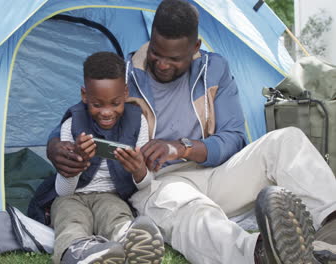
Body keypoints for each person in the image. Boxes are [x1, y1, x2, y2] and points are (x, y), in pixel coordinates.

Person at [46, 1, 336, 264]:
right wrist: (54, 146)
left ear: (195, 47)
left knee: (288, 140)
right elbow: (82, 115)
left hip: (216, 172)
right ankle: (261, 254)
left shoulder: (215, 70)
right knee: (190, 210)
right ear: (151, 39)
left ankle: (330, 237)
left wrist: (181, 148)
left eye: (175, 59)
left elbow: (233, 137)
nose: (162, 64)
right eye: (157, 53)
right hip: (158, 182)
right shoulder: (126, 76)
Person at [31, 52, 165, 264]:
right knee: (70, 220)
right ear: (85, 95)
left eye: (115, 103)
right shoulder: (72, 124)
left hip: (110, 195)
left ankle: (132, 241)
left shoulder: (137, 121)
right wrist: (77, 164)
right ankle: (78, 253)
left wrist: (138, 170)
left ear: (125, 93)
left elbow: (144, 184)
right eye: (97, 104)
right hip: (71, 197)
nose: (106, 112)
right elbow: (63, 191)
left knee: (117, 215)